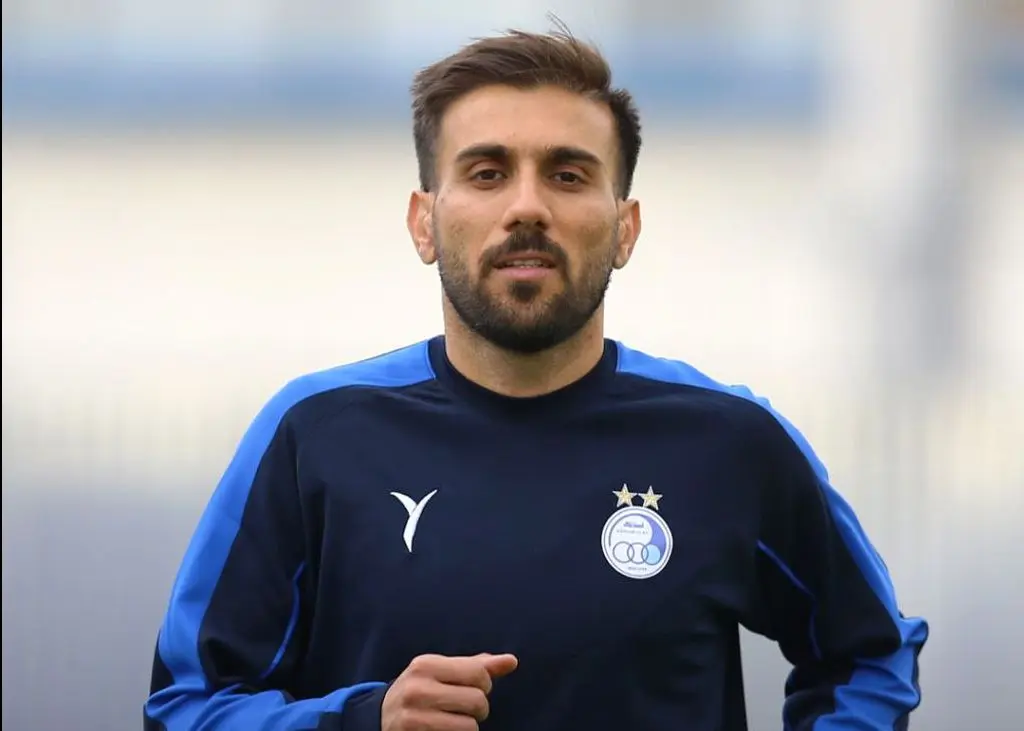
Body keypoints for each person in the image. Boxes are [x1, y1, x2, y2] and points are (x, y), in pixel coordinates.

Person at [143, 26, 928, 731]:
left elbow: (869, 655)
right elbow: (187, 705)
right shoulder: (315, 434)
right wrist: (362, 720)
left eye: (568, 175)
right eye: (487, 173)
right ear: (424, 221)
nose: (527, 206)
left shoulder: (731, 442)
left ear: (624, 229)